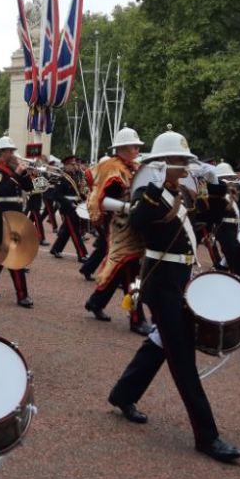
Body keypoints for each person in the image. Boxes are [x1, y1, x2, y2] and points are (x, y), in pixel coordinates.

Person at [107, 127, 240, 464]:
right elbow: (138, 220)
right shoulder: (149, 195)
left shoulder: (182, 193)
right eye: (179, 161)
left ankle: (123, 393)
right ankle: (207, 436)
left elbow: (214, 216)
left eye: (185, 161)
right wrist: (154, 182)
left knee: (159, 344)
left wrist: (214, 183)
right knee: (183, 360)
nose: (185, 167)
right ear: (163, 163)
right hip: (161, 283)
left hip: (180, 279)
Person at [83, 127, 152, 335]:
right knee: (132, 270)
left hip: (136, 224)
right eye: (133, 145)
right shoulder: (112, 167)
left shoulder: (136, 166)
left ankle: (96, 302)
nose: (137, 148)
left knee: (123, 268)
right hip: (122, 226)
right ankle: (136, 317)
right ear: (121, 148)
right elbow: (100, 200)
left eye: (138, 145)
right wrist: (126, 207)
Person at [0, 133, 35, 307]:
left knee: (3, 253)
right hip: (2, 216)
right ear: (2, 153)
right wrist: (16, 175)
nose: (13, 154)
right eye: (10, 151)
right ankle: (21, 295)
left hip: (16, 216)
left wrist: (25, 174)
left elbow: (31, 188)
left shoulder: (13, 170)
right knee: (14, 255)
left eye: (12, 151)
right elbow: (0, 191)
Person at [48, 156, 88, 261]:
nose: (75, 166)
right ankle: (82, 254)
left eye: (75, 164)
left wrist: (83, 196)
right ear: (66, 166)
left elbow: (77, 193)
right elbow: (56, 196)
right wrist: (70, 203)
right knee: (75, 232)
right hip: (68, 209)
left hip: (75, 207)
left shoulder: (74, 176)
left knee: (66, 232)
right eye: (72, 164)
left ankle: (56, 249)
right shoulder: (61, 178)